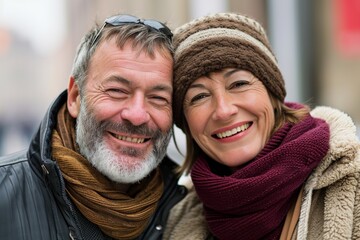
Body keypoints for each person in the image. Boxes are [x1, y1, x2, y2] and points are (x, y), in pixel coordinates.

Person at [164, 12, 360, 240]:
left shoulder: (351, 183)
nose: (224, 110)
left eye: (238, 84)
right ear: (185, 122)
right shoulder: (177, 217)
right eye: (199, 97)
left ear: (272, 92)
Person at [0, 13, 188, 240]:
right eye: (117, 91)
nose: (137, 115)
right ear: (75, 97)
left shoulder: (189, 214)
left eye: (158, 98)